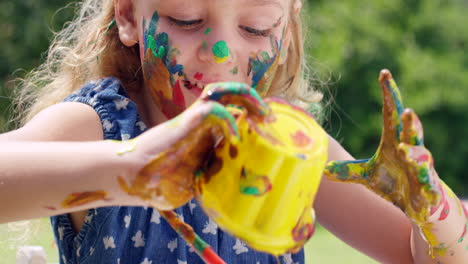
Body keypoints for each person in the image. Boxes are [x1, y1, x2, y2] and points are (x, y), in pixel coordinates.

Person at [0, 0, 466, 263]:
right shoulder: (103, 126)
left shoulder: (288, 145)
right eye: (187, 20)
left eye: (256, 28)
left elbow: (422, 257)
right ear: (127, 15)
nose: (220, 54)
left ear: (286, 25)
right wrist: (133, 165)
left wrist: (430, 209)